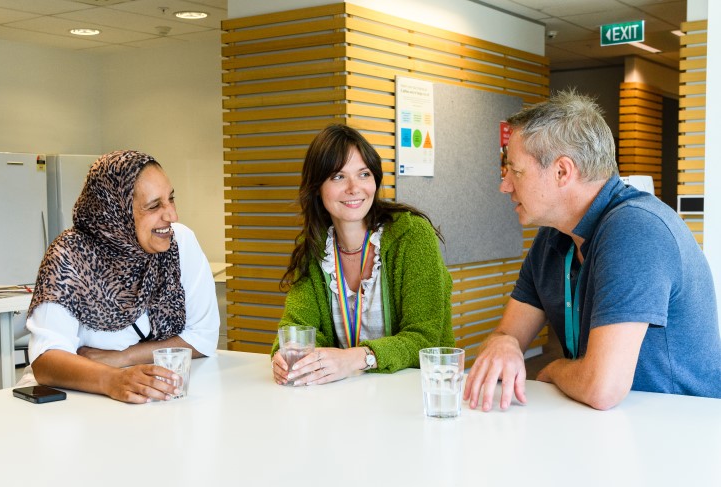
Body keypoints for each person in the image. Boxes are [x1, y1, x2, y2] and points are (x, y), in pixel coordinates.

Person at [464, 91, 721, 411]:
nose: (505, 186)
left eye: (516, 171)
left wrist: (553, 369)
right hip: (607, 425)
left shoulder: (636, 230)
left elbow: (602, 387)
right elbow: (506, 333)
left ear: (562, 172)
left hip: (677, 432)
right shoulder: (552, 239)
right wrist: (504, 343)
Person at [21, 150, 219, 404]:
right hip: (78, 406)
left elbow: (203, 338)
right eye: (154, 206)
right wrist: (112, 379)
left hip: (157, 401)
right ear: (115, 211)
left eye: (171, 199)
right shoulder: (70, 255)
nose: (172, 215)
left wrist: (124, 357)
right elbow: (46, 360)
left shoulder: (179, 242)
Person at [271, 124, 454, 385]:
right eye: (337, 177)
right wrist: (284, 354)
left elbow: (424, 339)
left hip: (418, 394)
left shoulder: (412, 236)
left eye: (364, 174)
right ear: (317, 187)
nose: (354, 188)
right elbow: (298, 328)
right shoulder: (316, 247)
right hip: (348, 401)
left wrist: (353, 359)